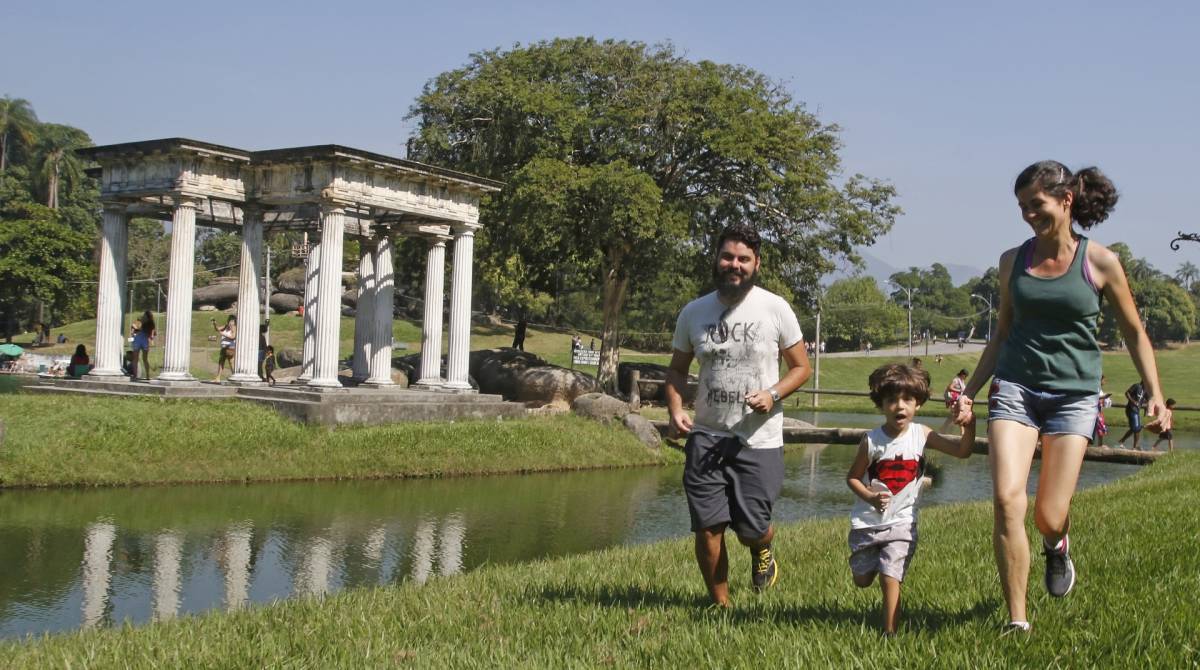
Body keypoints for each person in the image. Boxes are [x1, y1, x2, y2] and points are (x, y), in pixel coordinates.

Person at [952, 161, 1165, 634]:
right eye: (1022, 207)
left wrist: (1155, 393)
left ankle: (1057, 545)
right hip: (1016, 388)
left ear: (1066, 200)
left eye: (1037, 205)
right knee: (1008, 501)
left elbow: (1134, 332)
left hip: (1074, 395)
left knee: (1049, 515)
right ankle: (1017, 620)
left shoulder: (1100, 262)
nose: (1028, 215)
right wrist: (970, 392)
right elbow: (1001, 332)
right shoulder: (1013, 261)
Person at [665, 224, 812, 608]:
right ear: (716, 260)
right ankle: (721, 607)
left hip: (758, 439)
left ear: (756, 263)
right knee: (708, 527)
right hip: (707, 436)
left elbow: (801, 368)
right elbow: (677, 369)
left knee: (750, 530)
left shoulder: (775, 308)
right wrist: (677, 408)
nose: (735, 265)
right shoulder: (693, 313)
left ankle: (762, 546)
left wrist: (772, 393)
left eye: (743, 259)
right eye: (728, 257)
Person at [848, 363, 975, 635]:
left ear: (918, 404)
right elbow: (853, 478)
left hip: (903, 521)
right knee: (862, 579)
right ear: (881, 404)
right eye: (891, 400)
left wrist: (970, 425)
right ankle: (866, 570)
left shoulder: (922, 434)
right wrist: (870, 497)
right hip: (868, 523)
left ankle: (889, 632)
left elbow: (963, 451)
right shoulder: (870, 441)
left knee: (890, 574)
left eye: (907, 399)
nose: (899, 406)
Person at [1116, 380, 1148, 450]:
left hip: (1137, 410)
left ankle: (1122, 441)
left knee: (1136, 428)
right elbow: (1127, 393)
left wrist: (1147, 407)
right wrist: (1133, 401)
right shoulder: (1137, 386)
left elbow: (1147, 400)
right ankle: (1134, 446)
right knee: (1136, 428)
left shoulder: (1145, 390)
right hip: (1131, 409)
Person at [939, 368, 969, 433]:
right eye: (965, 375)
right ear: (962, 374)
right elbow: (950, 387)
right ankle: (961, 432)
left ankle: (944, 429)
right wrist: (959, 391)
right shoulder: (956, 380)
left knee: (953, 416)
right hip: (954, 400)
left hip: (958, 400)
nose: (966, 377)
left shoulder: (962, 381)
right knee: (957, 415)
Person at [130, 310, 155, 381]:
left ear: (147, 317)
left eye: (145, 315)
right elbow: (133, 330)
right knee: (138, 359)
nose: (143, 316)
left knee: (142, 359)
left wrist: (135, 328)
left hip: (141, 340)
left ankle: (146, 375)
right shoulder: (141, 321)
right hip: (140, 341)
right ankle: (138, 375)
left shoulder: (148, 323)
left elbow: (151, 333)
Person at [212, 315, 237, 382]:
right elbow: (217, 329)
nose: (230, 323)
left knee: (228, 362)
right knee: (224, 362)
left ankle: (234, 376)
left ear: (234, 322)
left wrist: (223, 334)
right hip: (224, 347)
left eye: (232, 321)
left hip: (230, 348)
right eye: (229, 321)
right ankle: (219, 377)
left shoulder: (234, 328)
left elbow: (233, 337)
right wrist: (215, 324)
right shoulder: (226, 326)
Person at [1093, 375, 1113, 447]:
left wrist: (1106, 399)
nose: (1105, 381)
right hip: (1095, 412)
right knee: (1099, 427)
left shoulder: (1100, 389)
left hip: (1099, 411)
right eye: (1103, 380)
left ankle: (1099, 445)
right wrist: (1104, 397)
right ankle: (1094, 445)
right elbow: (1095, 398)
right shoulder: (1096, 389)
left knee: (1101, 428)